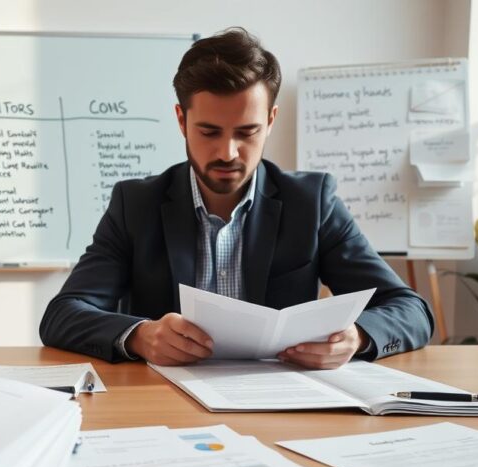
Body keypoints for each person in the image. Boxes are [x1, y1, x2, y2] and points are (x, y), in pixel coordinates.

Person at [40, 28, 433, 369]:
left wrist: (358, 338)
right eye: (209, 132)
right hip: (166, 403)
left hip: (281, 405)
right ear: (181, 120)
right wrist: (140, 335)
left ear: (271, 121)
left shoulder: (312, 202)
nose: (228, 152)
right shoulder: (135, 204)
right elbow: (61, 316)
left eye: (246, 132)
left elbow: (411, 310)